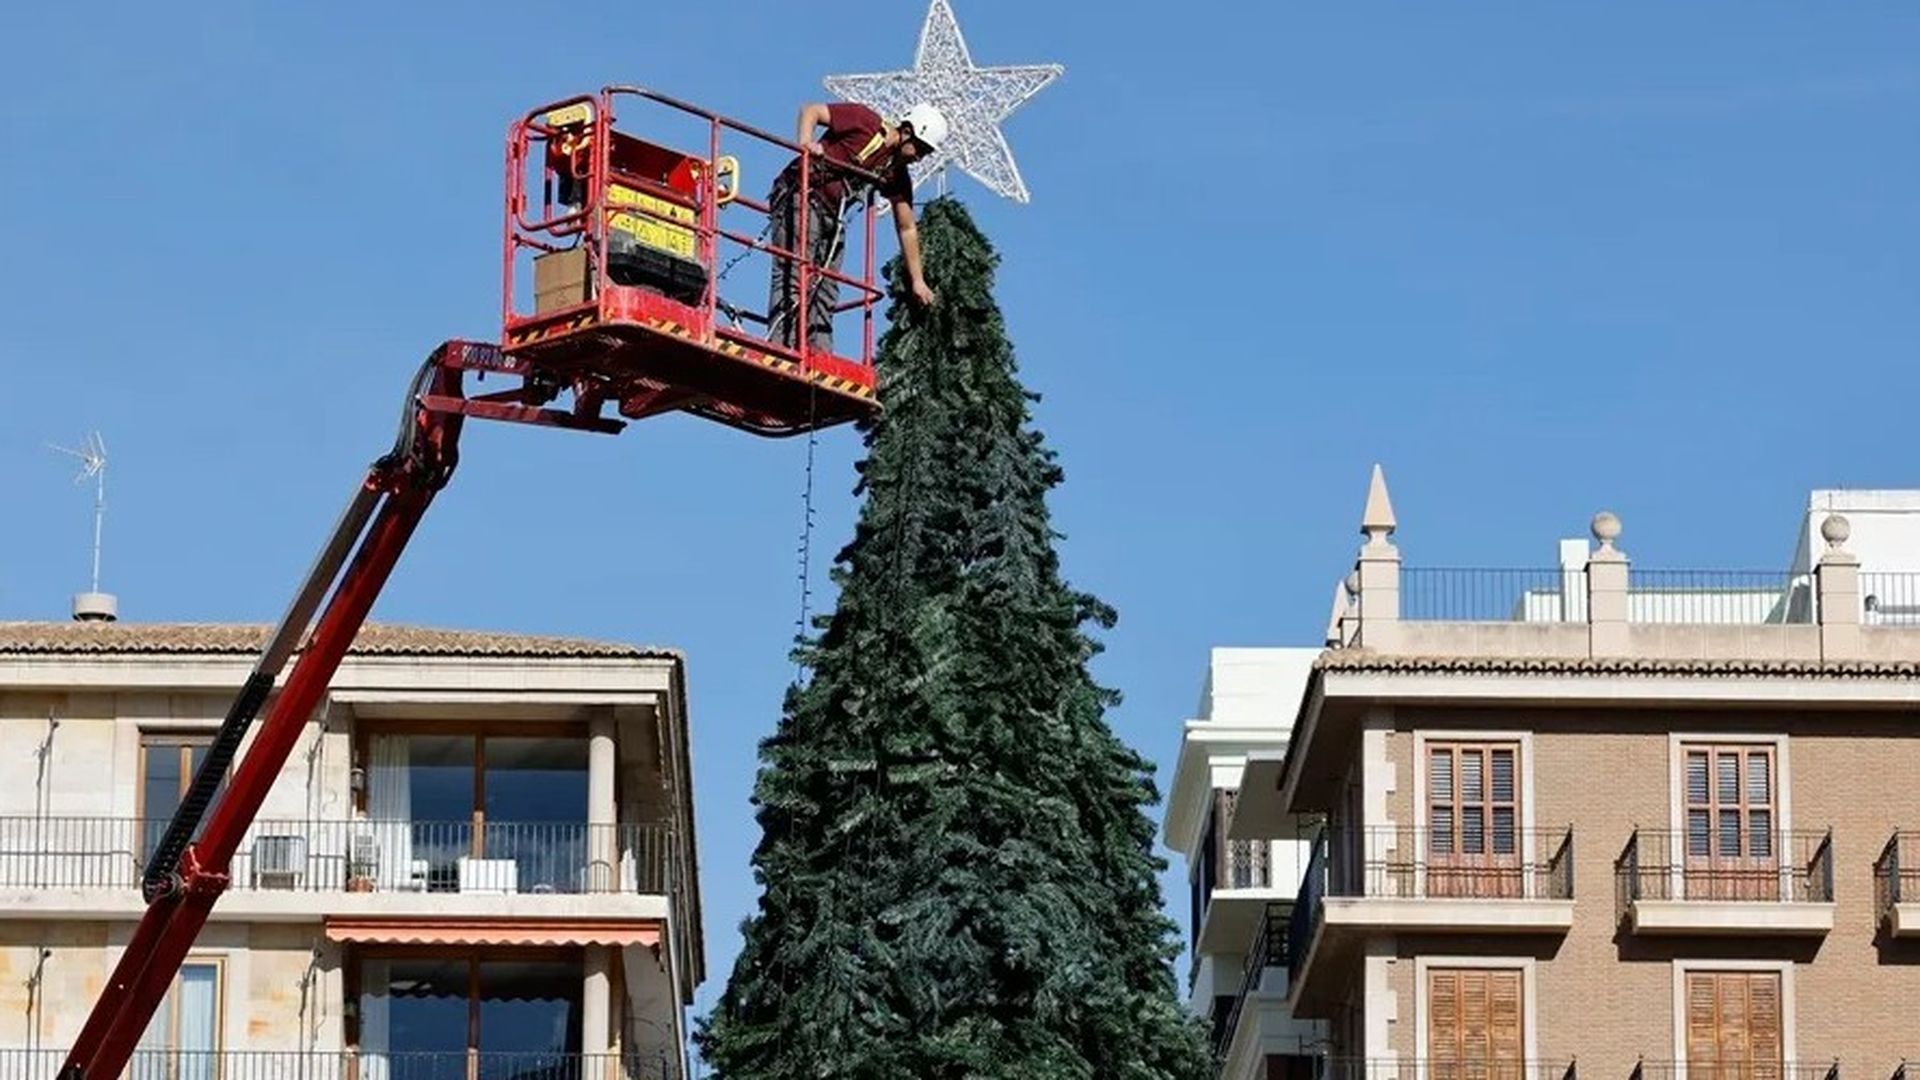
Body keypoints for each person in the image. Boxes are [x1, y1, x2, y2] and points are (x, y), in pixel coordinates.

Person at [766, 100, 948, 357]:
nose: (919, 158)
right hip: (801, 193)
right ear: (908, 131)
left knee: (827, 285)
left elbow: (907, 227)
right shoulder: (864, 122)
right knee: (795, 270)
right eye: (920, 148)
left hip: (832, 214)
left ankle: (819, 354)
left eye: (926, 153)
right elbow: (812, 111)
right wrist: (806, 143)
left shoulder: (896, 174)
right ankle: (781, 345)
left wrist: (918, 281)